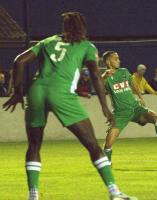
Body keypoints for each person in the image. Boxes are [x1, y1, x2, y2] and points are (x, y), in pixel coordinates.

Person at [2, 12, 136, 200]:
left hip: (36, 91)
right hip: (61, 93)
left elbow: (19, 61)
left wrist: (17, 91)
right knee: (92, 145)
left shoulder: (47, 41)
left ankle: (33, 196)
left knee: (34, 145)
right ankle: (115, 192)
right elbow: (96, 75)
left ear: (65, 27)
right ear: (83, 27)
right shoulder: (86, 46)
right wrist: (104, 106)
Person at [101, 51, 157, 163]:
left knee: (156, 117)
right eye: (115, 59)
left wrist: (140, 97)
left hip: (135, 108)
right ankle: (107, 162)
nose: (119, 60)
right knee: (108, 143)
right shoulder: (106, 77)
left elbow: (133, 84)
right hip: (120, 113)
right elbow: (96, 84)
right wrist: (103, 76)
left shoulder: (124, 71)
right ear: (108, 61)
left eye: (118, 58)